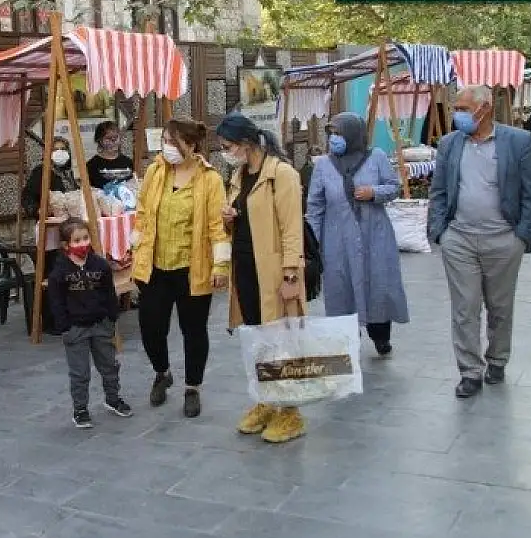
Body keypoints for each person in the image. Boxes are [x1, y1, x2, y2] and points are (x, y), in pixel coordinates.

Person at [428, 85, 531, 399]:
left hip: (504, 240)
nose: (457, 114)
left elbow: (530, 195)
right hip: (459, 240)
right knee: (465, 309)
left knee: (500, 308)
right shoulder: (450, 144)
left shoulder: (519, 142)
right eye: (456, 108)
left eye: (463, 108)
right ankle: (470, 372)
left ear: (485, 108)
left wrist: (521, 235)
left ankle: (498, 361)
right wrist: (440, 232)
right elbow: (438, 192)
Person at [216, 113, 307, 443]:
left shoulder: (281, 174)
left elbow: (291, 229)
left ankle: (291, 412)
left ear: (245, 144)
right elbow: (241, 219)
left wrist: (291, 275)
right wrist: (230, 217)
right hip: (246, 271)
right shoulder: (239, 176)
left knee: (282, 341)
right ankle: (269, 400)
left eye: (227, 146)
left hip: (273, 273)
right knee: (259, 339)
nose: (225, 152)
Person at [131, 118, 229, 418]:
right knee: (151, 328)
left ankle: (192, 387)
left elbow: (217, 225)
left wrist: (221, 265)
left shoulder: (209, 179)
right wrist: (135, 247)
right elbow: (143, 212)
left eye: (173, 142)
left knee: (194, 331)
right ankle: (162, 372)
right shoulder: (155, 171)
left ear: (191, 145)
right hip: (155, 267)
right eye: (165, 140)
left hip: (192, 268)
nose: (167, 147)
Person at [307, 111, 410, 356]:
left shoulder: (376, 158)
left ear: (353, 135)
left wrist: (373, 192)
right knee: (341, 290)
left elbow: (394, 187)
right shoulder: (323, 165)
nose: (334, 139)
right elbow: (315, 206)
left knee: (377, 286)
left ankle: (380, 336)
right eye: (331, 134)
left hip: (373, 235)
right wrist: (314, 242)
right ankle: (346, 340)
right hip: (337, 238)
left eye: (339, 134)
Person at [47, 218, 133, 428]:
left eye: (85, 238)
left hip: (101, 325)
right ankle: (80, 409)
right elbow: (56, 300)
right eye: (77, 240)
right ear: (66, 245)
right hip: (75, 329)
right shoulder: (60, 272)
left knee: (110, 365)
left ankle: (113, 399)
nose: (83, 243)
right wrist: (64, 326)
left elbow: (109, 293)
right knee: (80, 372)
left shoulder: (100, 265)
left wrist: (112, 316)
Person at [23, 136, 80, 333]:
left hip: (71, 230)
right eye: (55, 149)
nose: (60, 153)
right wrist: (39, 210)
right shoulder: (41, 172)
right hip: (50, 233)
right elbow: (28, 198)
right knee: (53, 274)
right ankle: (52, 320)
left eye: (63, 148)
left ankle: (71, 314)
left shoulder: (70, 173)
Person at [87, 121, 134, 190]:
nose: (113, 141)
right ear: (100, 140)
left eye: (116, 137)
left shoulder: (127, 161)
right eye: (108, 138)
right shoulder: (92, 165)